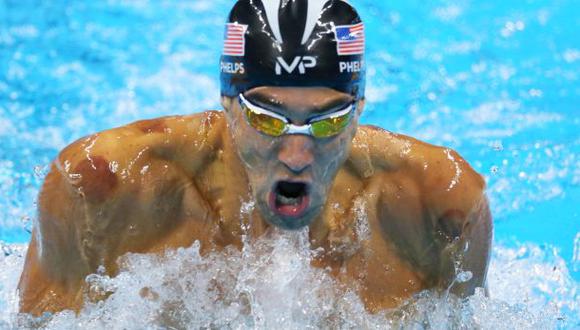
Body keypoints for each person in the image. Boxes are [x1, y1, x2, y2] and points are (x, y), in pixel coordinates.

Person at [18, 0, 492, 316]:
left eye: (327, 121)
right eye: (268, 118)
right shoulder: (103, 188)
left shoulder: (440, 207)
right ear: (228, 102)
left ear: (360, 110)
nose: (297, 154)